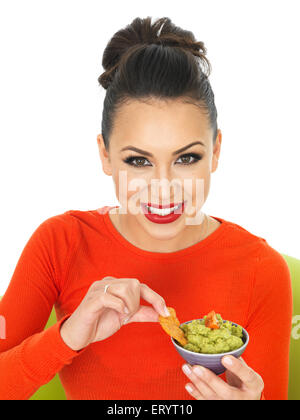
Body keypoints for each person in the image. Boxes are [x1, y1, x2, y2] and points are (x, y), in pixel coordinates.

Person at [0, 16, 292, 400]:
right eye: (138, 161)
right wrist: (68, 336)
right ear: (105, 155)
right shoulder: (60, 243)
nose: (163, 187)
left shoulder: (261, 269)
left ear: (216, 152)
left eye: (186, 158)